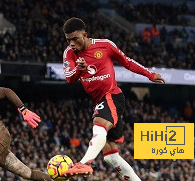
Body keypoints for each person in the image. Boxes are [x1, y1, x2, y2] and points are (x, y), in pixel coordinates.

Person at [61, 18, 165, 180]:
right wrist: (78, 70)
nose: (72, 43)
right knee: (110, 156)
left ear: (85, 35)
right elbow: (69, 79)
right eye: (68, 40)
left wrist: (150, 74)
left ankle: (84, 162)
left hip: (112, 96)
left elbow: (127, 62)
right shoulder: (69, 53)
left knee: (99, 125)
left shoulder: (105, 45)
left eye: (75, 39)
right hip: (99, 101)